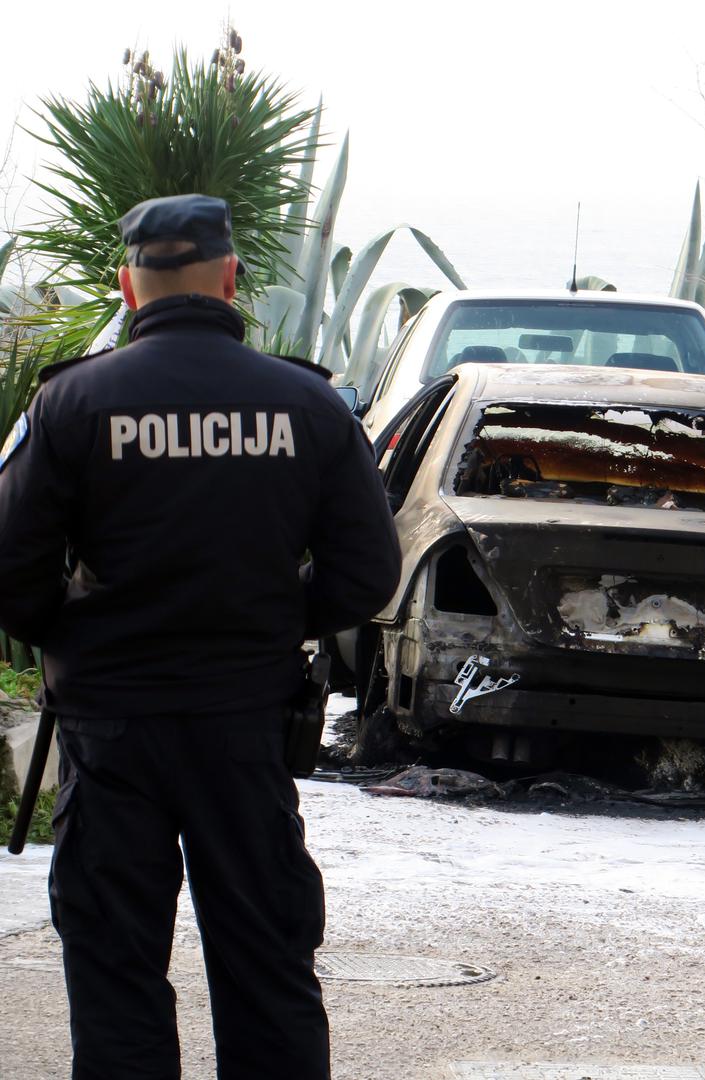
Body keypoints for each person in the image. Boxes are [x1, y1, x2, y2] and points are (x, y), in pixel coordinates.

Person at [0, 194, 403, 1079]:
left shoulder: (73, 401)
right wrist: (271, 620)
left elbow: (10, 572)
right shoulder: (306, 402)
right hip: (244, 721)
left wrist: (83, 635)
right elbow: (368, 572)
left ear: (126, 286)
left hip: (111, 728)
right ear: (231, 279)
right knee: (266, 961)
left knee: (114, 968)